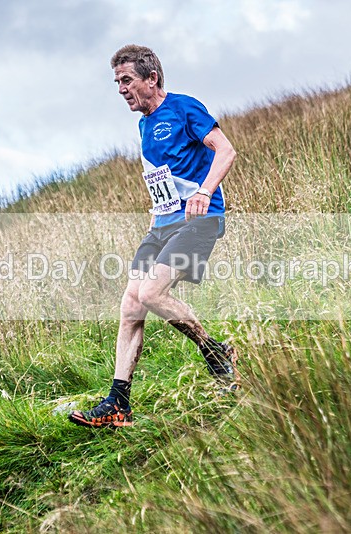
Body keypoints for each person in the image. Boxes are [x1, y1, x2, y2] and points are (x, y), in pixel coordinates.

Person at [69, 44, 238, 428]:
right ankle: (118, 404)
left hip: (198, 220)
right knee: (131, 304)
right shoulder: (144, 125)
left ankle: (216, 354)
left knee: (151, 293)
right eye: (117, 82)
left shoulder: (183, 108)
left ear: (152, 78)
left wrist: (204, 191)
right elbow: (163, 182)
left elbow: (226, 151)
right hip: (162, 225)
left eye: (127, 80)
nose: (121, 89)